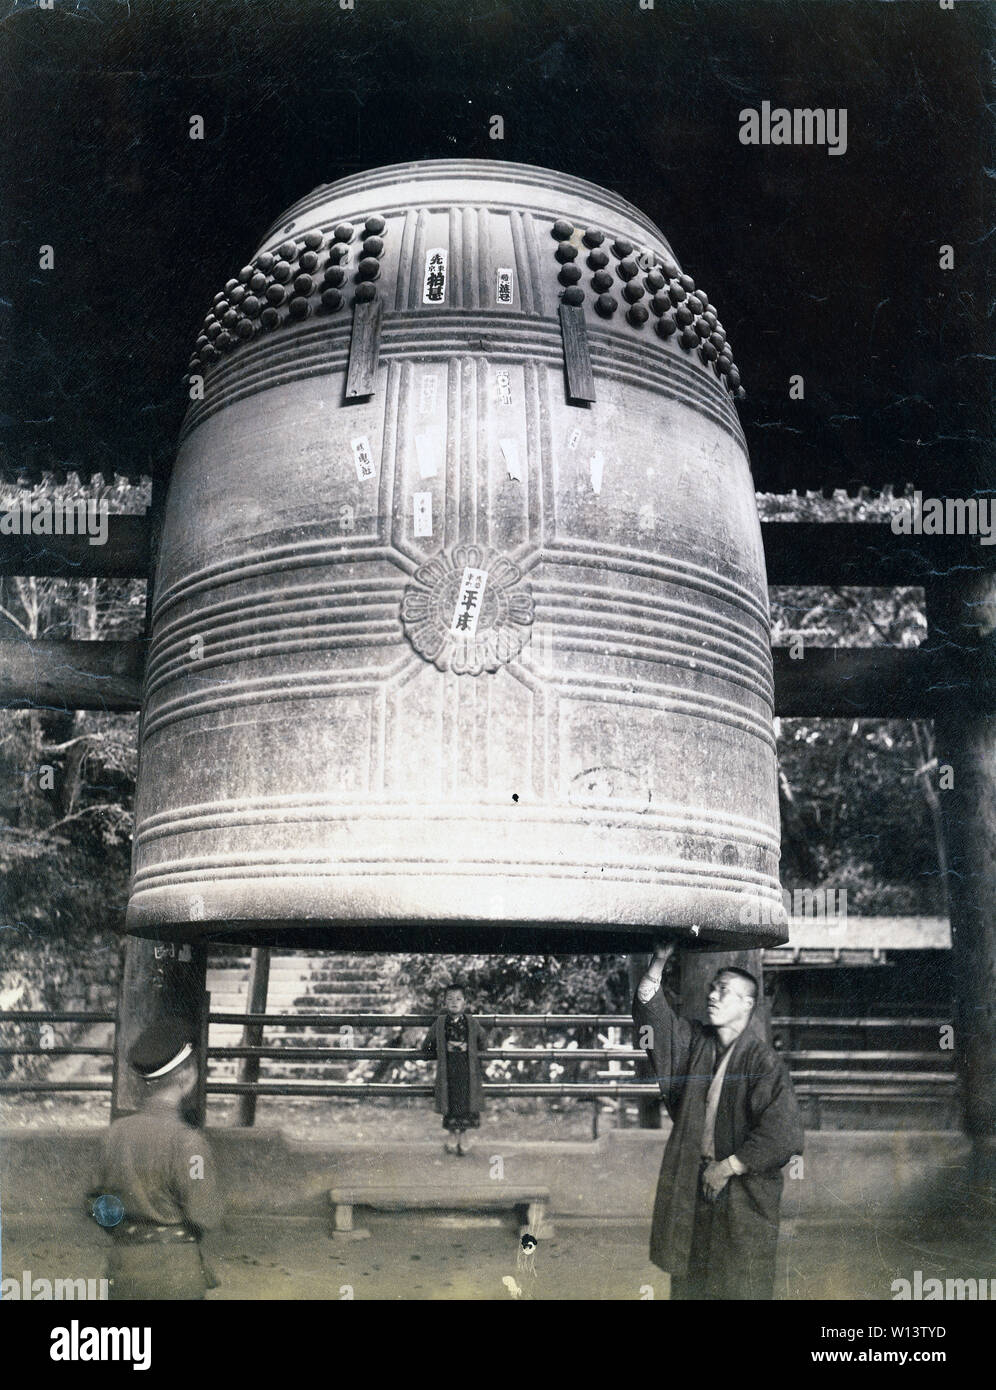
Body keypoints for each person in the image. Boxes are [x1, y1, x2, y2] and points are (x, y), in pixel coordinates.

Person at [632, 941, 803, 1300]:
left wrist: (727, 1168)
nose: (712, 995)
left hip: (742, 1194)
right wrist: (659, 960)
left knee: (738, 1284)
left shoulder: (762, 1062)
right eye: (712, 988)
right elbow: (654, 1016)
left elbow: (783, 1134)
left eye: (723, 990)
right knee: (691, 1283)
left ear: (747, 1003)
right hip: (696, 1186)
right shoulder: (696, 1043)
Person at [89, 1017, 223, 1300]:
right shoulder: (189, 1143)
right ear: (187, 1077)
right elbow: (205, 1214)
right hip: (176, 1274)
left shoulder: (115, 1134)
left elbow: (95, 1204)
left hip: (123, 1270)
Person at [420, 983, 487, 1155]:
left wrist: (470, 1048)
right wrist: (441, 1048)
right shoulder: (441, 1022)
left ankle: (463, 1135)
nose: (454, 1002)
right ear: (444, 1002)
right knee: (450, 1100)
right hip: (448, 1067)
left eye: (458, 999)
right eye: (449, 999)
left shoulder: (471, 1022)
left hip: (467, 1067)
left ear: (465, 1002)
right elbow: (427, 1044)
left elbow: (483, 1042)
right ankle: (451, 1134)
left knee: (465, 1101)